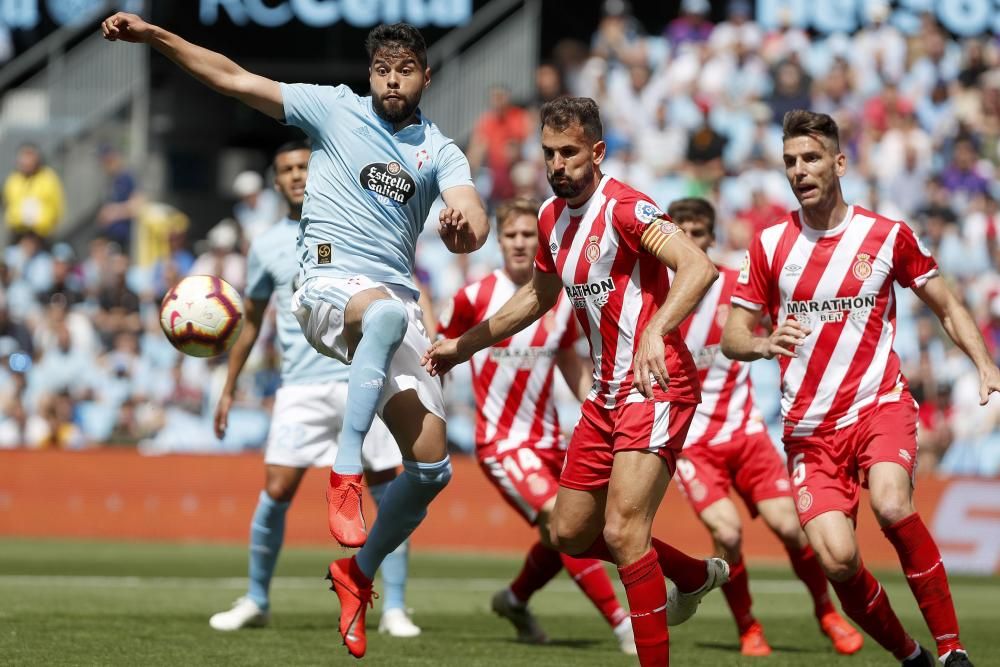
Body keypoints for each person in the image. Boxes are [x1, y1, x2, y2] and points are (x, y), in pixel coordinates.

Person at [103, 14, 488, 658]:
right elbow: (232, 77)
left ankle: (355, 576)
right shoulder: (333, 109)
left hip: (391, 302)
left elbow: (471, 211)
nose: (393, 80)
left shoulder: (439, 149)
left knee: (431, 469)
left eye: (406, 70)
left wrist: (463, 229)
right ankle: (343, 477)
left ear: (427, 75)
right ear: (371, 76)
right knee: (385, 319)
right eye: (383, 69)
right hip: (327, 285)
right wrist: (156, 38)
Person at [424, 97, 727, 667]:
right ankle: (688, 575)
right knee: (566, 533)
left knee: (624, 531)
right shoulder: (548, 219)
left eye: (569, 153)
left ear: (597, 152)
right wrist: (462, 346)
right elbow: (537, 297)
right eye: (548, 153)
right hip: (604, 397)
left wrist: (657, 329)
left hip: (655, 385)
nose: (557, 164)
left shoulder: (628, 209)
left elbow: (698, 266)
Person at [722, 109, 999, 667]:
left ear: (839, 162)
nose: (800, 171)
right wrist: (762, 342)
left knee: (893, 503)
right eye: (790, 162)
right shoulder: (769, 244)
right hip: (809, 430)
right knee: (837, 558)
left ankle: (952, 651)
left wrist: (985, 363)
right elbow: (733, 334)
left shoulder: (886, 235)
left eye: (811, 158)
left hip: (879, 405)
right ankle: (911, 655)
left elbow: (945, 304)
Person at [209, 140, 420, 638]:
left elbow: (399, 287)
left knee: (388, 490)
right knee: (277, 490)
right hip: (300, 386)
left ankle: (395, 607)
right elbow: (254, 318)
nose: (297, 175)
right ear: (275, 180)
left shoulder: (351, 222)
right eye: (286, 169)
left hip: (360, 379)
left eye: (304, 165)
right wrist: (228, 385)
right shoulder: (264, 245)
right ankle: (257, 598)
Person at [436, 197, 635, 654]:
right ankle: (623, 624)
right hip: (501, 443)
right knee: (555, 519)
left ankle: (515, 598)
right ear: (499, 240)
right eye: (512, 235)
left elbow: (570, 360)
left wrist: (602, 408)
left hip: (551, 440)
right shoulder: (474, 296)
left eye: (529, 234)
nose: (521, 243)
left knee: (570, 527)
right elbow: (439, 353)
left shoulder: (559, 300)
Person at [667, 197, 862, 657]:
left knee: (793, 529)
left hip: (746, 433)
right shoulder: (653, 292)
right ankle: (748, 626)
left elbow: (791, 321)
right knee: (728, 533)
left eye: (698, 233)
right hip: (693, 443)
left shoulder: (735, 285)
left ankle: (826, 613)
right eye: (683, 233)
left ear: (711, 238)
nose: (691, 241)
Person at [3, 143, 65, 238]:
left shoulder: (48, 177)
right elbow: (7, 205)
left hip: (43, 234)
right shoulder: (12, 180)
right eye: (24, 156)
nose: (27, 161)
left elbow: (57, 206)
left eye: (30, 156)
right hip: (18, 233)